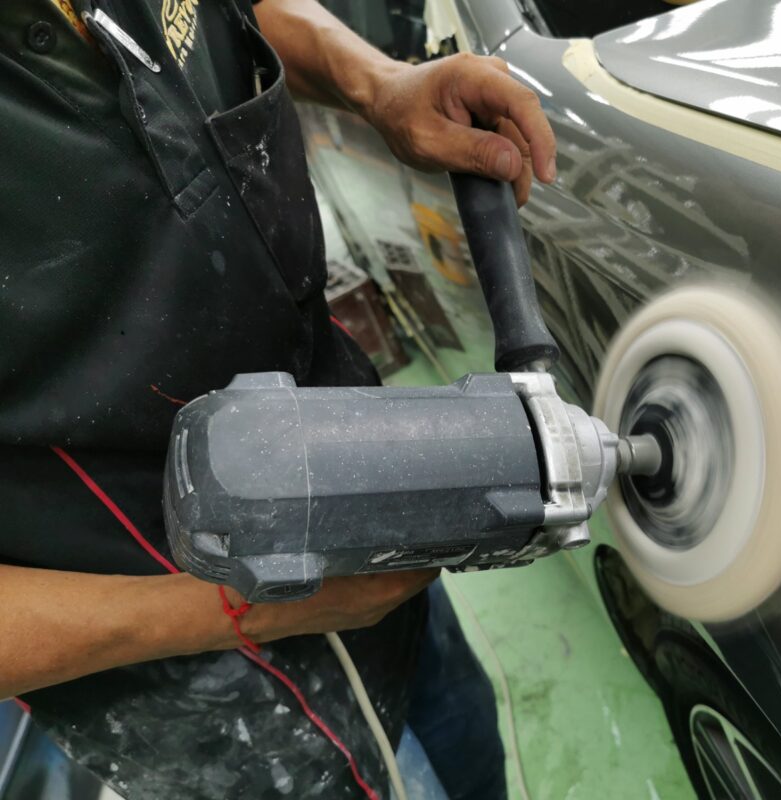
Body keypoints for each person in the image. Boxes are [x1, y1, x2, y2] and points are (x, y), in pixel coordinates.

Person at [0, 0, 556, 797]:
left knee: (467, 746)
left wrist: (376, 83)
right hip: (207, 692)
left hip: (366, 505)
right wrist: (246, 609)